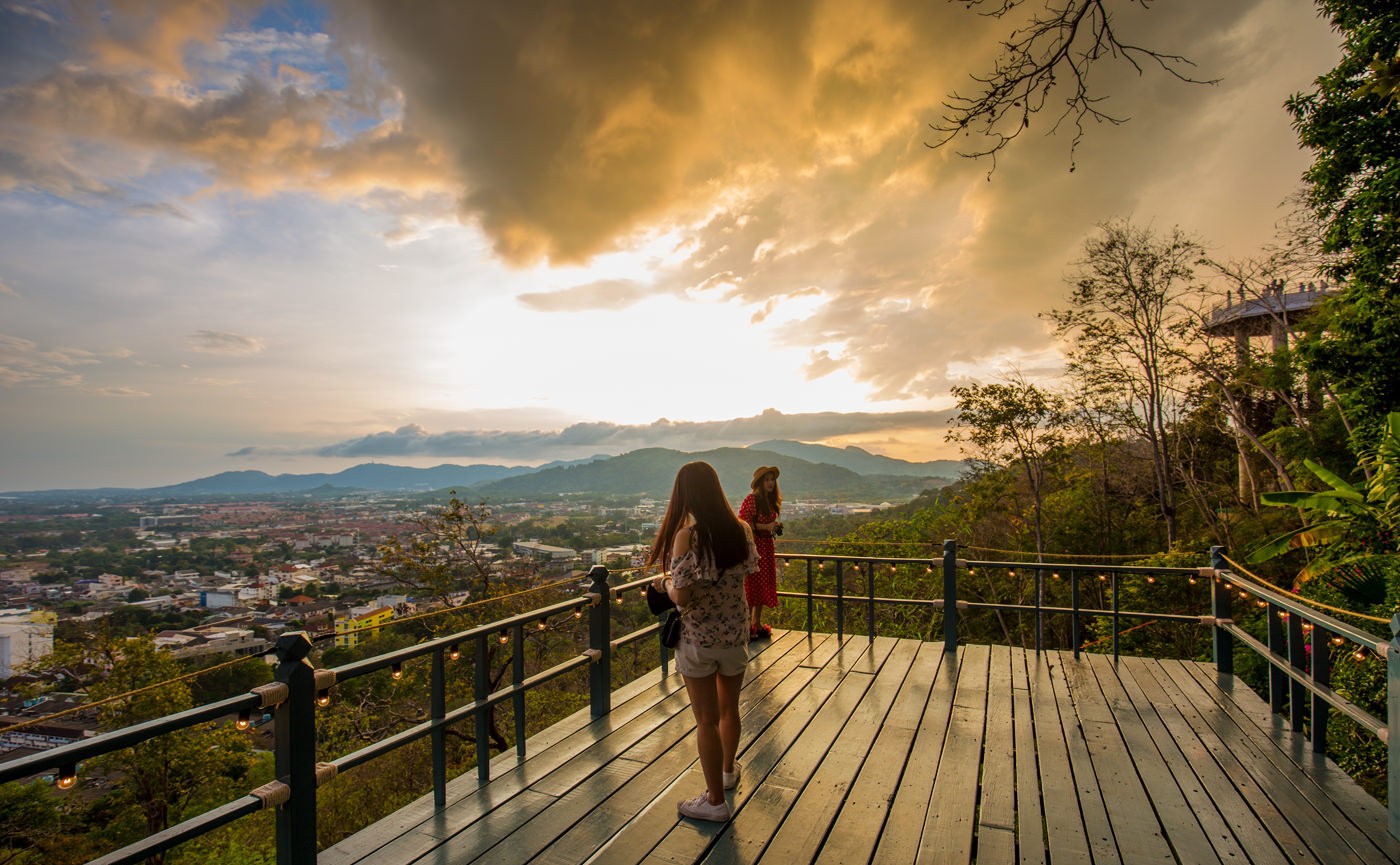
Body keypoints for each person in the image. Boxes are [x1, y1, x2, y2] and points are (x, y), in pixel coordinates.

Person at [648, 461, 758, 822]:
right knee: (730, 709)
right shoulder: (741, 531)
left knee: (705, 720)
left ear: (686, 495)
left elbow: (682, 597)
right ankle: (727, 771)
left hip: (698, 639)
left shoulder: (688, 537)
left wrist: (663, 585)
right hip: (735, 635)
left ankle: (713, 801)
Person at [737, 465, 782, 641]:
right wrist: (766, 526)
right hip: (755, 548)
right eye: (767, 480)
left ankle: (757, 622)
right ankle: (747, 625)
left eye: (772, 480)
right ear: (760, 482)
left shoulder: (770, 501)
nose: (770, 483)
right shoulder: (751, 500)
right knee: (752, 584)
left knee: (763, 584)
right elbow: (743, 524)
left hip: (767, 546)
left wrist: (774, 528)